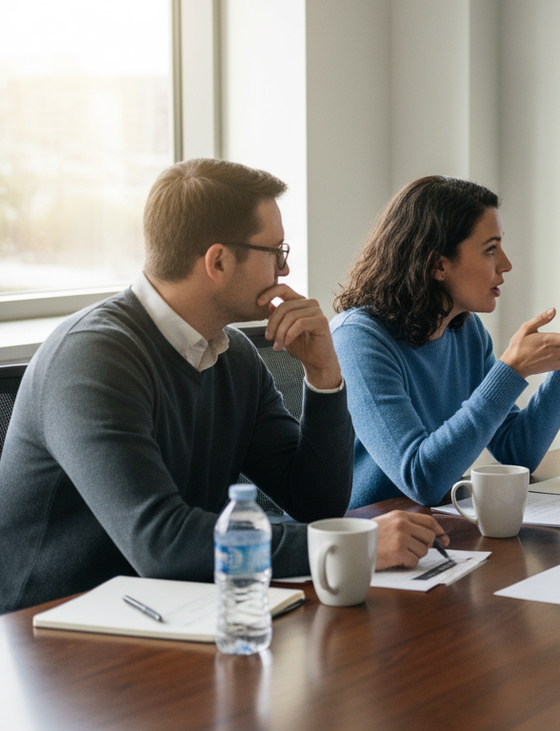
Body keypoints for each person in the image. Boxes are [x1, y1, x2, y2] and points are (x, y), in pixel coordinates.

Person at [0, 158, 447, 613]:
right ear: (217, 260)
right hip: (49, 634)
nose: (285, 270)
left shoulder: (232, 355)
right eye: (275, 252)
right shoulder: (92, 357)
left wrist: (324, 375)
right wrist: (351, 545)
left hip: (171, 611)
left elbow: (315, 502)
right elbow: (161, 543)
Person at [331, 176, 560, 509]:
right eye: (490, 249)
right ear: (438, 264)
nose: (506, 264)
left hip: (434, 528)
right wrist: (511, 370)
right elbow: (420, 479)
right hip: (364, 540)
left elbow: (518, 452)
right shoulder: (357, 339)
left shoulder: (466, 331)